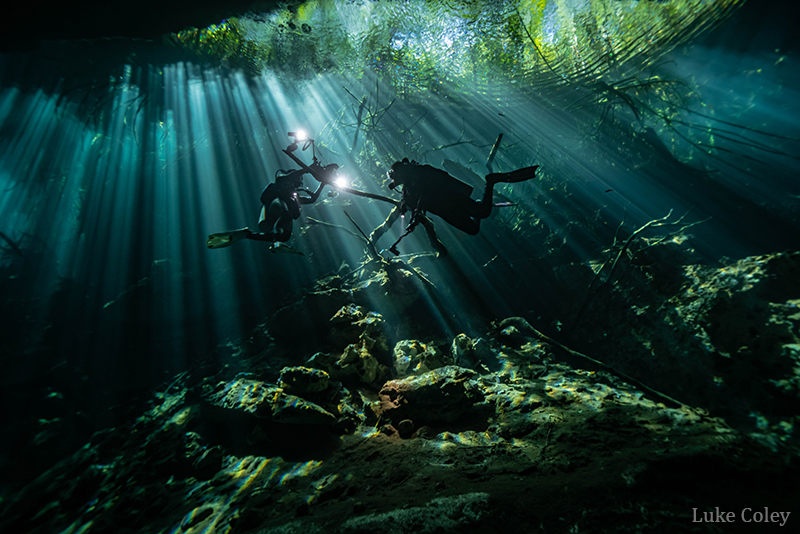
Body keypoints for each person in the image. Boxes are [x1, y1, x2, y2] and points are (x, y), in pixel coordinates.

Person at [369, 158, 538, 256]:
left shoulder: (421, 175)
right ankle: (480, 202)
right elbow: (414, 209)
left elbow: (441, 180)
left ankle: (491, 181)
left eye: (394, 177)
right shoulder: (408, 192)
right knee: (473, 229)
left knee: (483, 213)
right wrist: (413, 218)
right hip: (447, 213)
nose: (393, 181)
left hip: (452, 200)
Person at [206, 162, 338, 251]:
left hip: (274, 217)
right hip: (275, 205)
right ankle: (276, 237)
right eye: (299, 180)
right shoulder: (283, 181)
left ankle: (248, 235)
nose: (300, 182)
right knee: (285, 214)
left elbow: (312, 199)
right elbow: (291, 176)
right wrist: (307, 169)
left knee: (285, 236)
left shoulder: (294, 196)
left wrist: (323, 184)